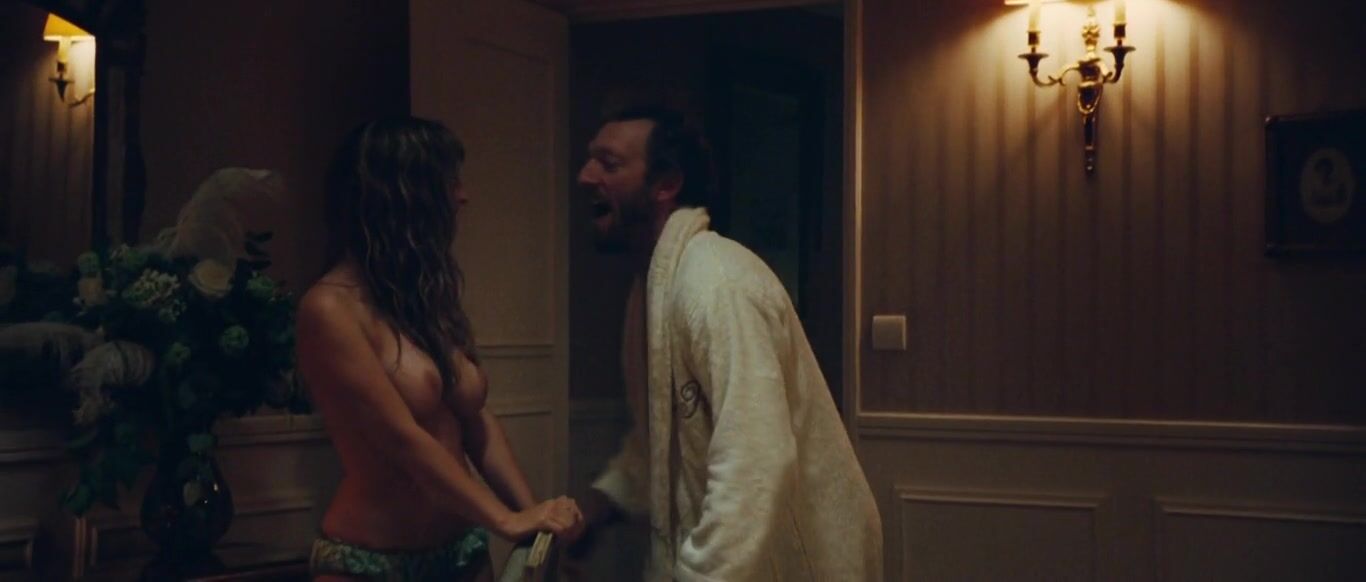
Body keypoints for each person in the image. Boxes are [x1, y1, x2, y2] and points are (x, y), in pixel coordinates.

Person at [569, 106, 884, 581]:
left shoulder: (716, 283)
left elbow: (754, 462)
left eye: (609, 163)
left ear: (665, 184)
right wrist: (600, 505)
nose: (585, 176)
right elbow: (660, 446)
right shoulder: (651, 291)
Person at [296, 116, 584, 581]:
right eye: (449, 182)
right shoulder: (329, 309)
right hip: (374, 565)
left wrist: (532, 518)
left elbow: (475, 420)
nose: (462, 196)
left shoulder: (423, 300)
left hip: (460, 554)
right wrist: (505, 520)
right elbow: (402, 440)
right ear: (406, 195)